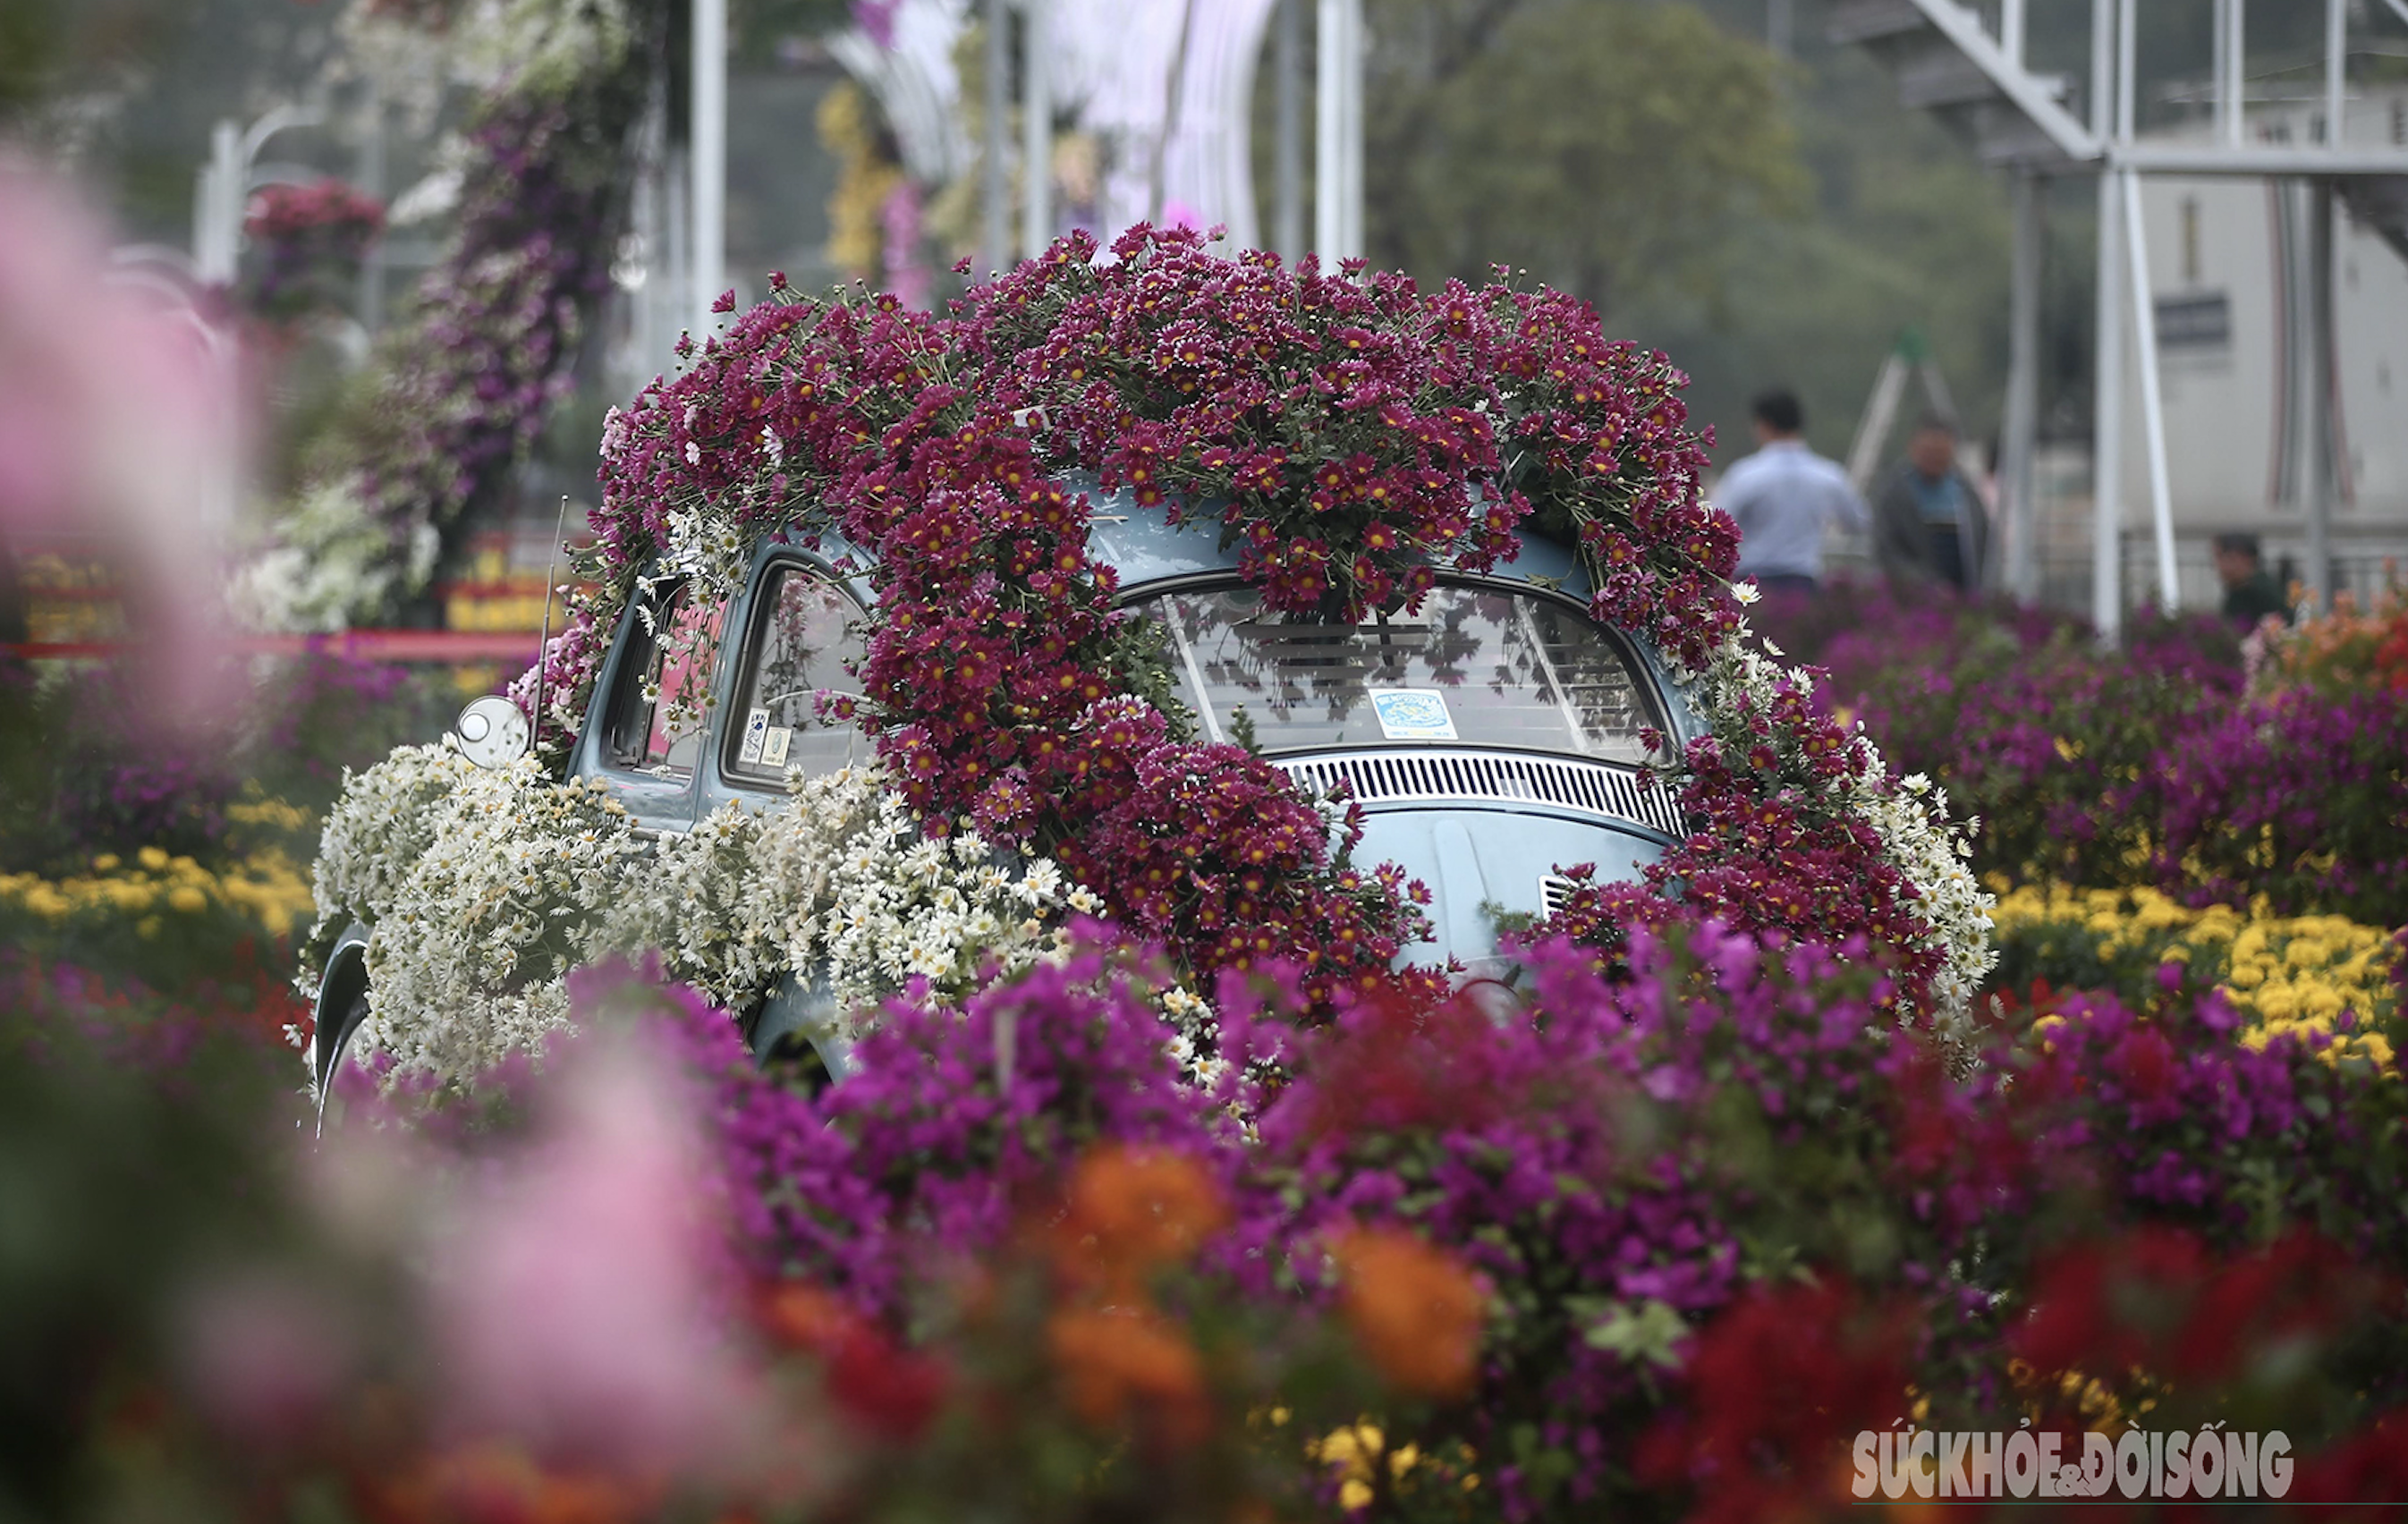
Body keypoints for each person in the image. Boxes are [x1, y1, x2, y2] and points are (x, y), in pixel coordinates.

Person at [1711, 390, 1870, 596]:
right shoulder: (1828, 475)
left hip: (1752, 584)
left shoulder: (1745, 474)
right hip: (1803, 584)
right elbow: (1859, 522)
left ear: (1764, 424)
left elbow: (1718, 523)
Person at [1874, 415, 1989, 592]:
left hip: (1963, 589)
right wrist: (1920, 582)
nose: (1934, 458)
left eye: (1941, 452)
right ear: (1913, 448)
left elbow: (1984, 540)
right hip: (1914, 592)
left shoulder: (1966, 493)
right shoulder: (1896, 492)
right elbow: (1886, 545)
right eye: (1928, 451)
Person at [2214, 531, 2291, 627]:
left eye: (2222, 556)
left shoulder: (2264, 591)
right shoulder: (2237, 590)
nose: (2218, 565)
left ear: (2246, 557)